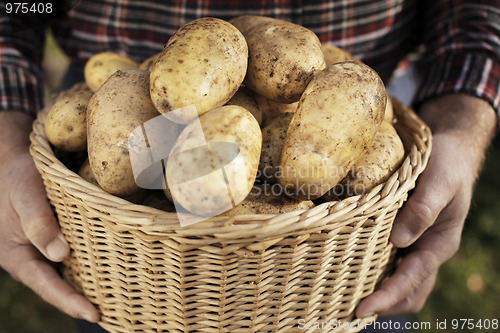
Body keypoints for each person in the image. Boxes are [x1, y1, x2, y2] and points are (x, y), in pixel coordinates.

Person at [0, 0, 498, 330]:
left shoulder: (289, 103)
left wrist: (459, 129)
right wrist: (5, 145)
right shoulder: (166, 99)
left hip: (351, 226)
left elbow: (476, 10)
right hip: (126, 230)